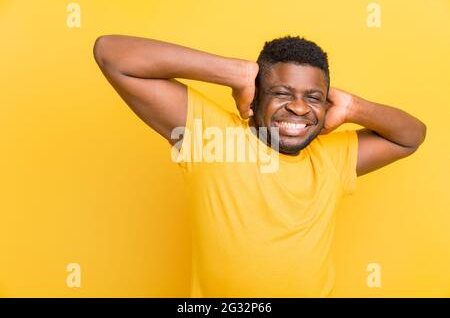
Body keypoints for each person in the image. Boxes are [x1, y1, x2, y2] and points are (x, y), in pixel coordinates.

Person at [93, 34, 426, 297]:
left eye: (313, 97)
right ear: (255, 97)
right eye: (281, 93)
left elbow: (411, 135)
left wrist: (354, 108)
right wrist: (235, 73)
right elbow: (112, 53)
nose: (299, 107)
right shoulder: (210, 137)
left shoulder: (333, 156)